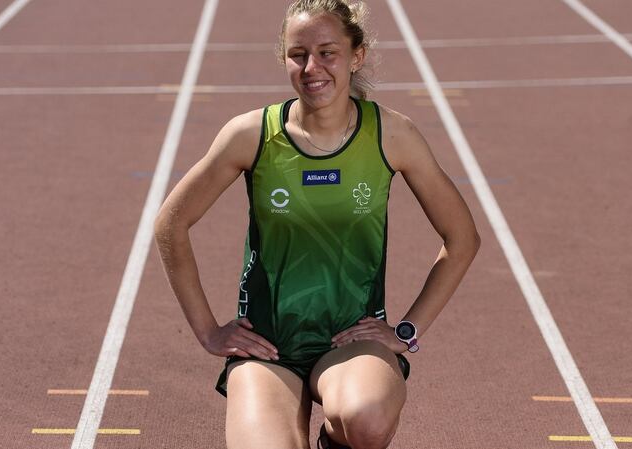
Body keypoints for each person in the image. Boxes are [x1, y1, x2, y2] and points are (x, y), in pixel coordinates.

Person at [154, 1, 480, 448]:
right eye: (298, 54)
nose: (312, 67)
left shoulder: (391, 134)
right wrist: (209, 331)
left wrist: (406, 329)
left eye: (327, 52)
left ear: (356, 56)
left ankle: (335, 439)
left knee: (365, 420)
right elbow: (170, 225)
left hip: (351, 340)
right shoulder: (251, 135)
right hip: (268, 345)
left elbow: (462, 238)